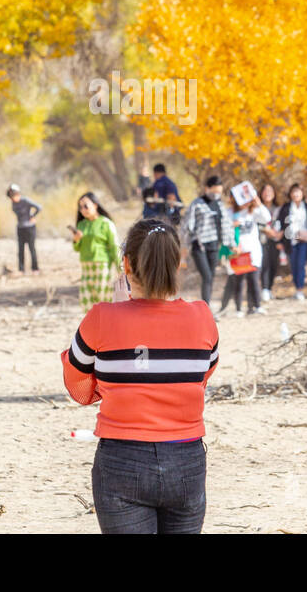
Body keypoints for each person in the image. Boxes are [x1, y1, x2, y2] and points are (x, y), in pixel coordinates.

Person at [61, 217, 218, 534]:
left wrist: (120, 315)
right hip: (186, 460)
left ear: (127, 265)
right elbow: (200, 378)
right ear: (178, 262)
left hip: (122, 460)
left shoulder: (101, 318)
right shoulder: (203, 317)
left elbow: (77, 386)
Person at [181, 176, 234, 306]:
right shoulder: (197, 203)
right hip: (199, 245)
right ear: (207, 189)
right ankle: (206, 308)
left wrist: (232, 244)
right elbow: (187, 225)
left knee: (211, 276)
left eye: (219, 192)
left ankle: (207, 306)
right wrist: (184, 245)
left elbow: (227, 225)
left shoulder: (220, 205)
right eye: (214, 191)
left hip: (214, 246)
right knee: (207, 276)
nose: (216, 195)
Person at [218, 192, 271, 317]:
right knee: (238, 281)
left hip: (253, 252)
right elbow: (223, 229)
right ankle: (238, 309)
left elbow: (267, 219)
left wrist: (259, 204)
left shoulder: (252, 211)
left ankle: (256, 306)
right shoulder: (229, 213)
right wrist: (232, 226)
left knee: (253, 279)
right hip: (236, 253)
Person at [71, 192, 120, 313]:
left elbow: (114, 247)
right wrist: (76, 240)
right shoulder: (81, 225)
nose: (83, 210)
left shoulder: (106, 224)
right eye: (80, 207)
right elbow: (77, 248)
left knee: (103, 300)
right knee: (87, 301)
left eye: (86, 206)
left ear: (96, 205)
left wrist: (120, 268)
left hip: (103, 267)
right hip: (86, 267)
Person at [274, 183, 307, 301]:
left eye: (298, 192)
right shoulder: (285, 208)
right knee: (293, 265)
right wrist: (279, 241)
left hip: (304, 240)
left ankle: (300, 289)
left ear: (303, 193)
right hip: (290, 241)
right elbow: (280, 225)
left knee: (301, 265)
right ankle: (296, 287)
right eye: (293, 192)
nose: (296, 194)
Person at [7, 183, 41, 274]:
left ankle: (35, 269)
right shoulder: (13, 203)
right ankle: (21, 270)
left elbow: (39, 207)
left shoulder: (25, 200)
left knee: (32, 248)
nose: (12, 197)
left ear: (17, 193)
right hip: (20, 228)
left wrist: (33, 216)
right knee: (20, 250)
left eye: (13, 194)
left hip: (30, 228)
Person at [258, 184, 283, 303]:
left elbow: (283, 223)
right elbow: (254, 222)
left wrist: (279, 234)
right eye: (265, 191)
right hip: (261, 241)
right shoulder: (257, 208)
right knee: (264, 264)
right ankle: (264, 289)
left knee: (274, 264)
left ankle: (270, 288)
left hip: (275, 241)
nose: (267, 193)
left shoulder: (278, 208)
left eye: (270, 191)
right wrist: (265, 230)